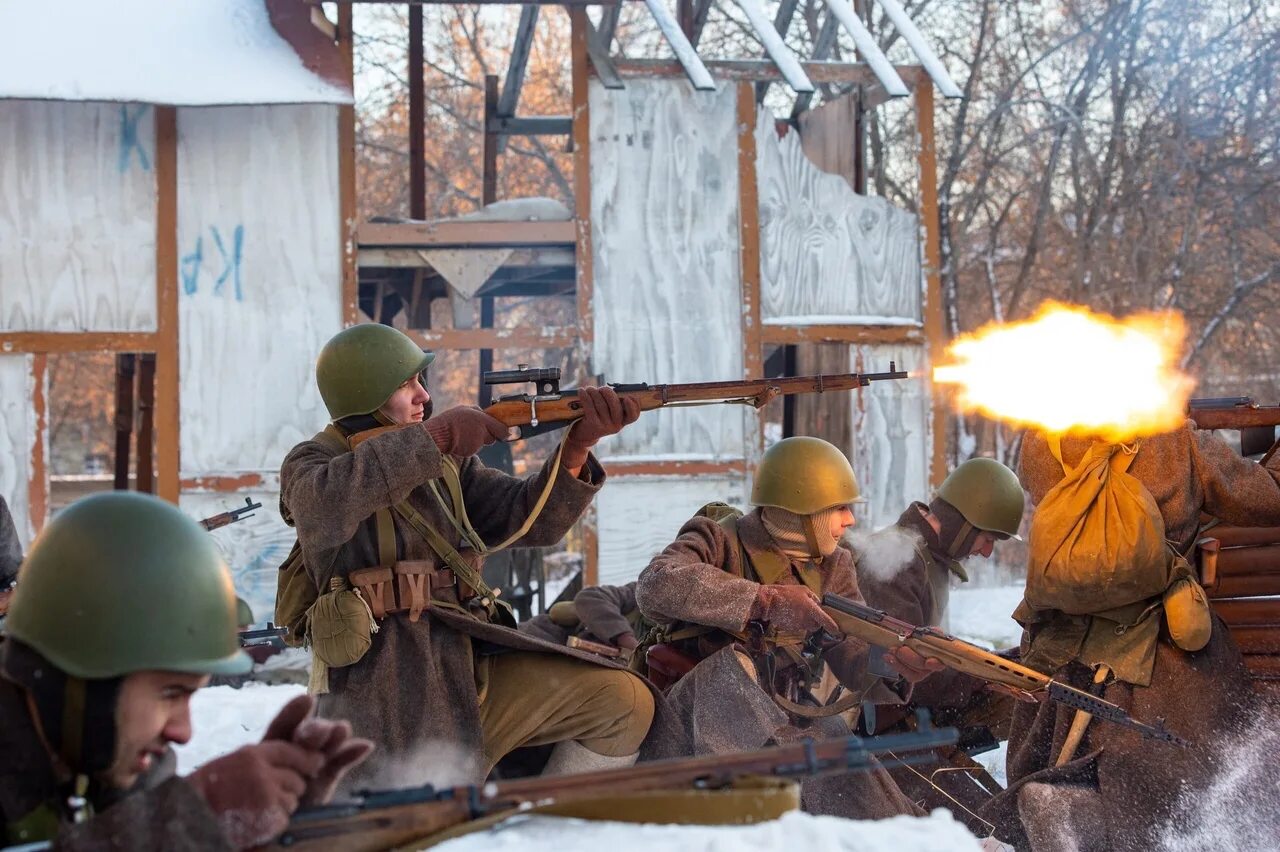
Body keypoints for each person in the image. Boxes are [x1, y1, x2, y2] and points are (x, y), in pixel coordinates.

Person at [280, 324, 659, 786]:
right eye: (405, 384)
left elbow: (531, 520)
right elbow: (323, 505)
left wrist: (578, 445)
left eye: (421, 381)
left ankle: (550, 825)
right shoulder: (313, 462)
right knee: (419, 810)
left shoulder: (446, 463)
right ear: (363, 392)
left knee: (625, 702)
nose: (423, 395)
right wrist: (436, 437)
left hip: (466, 664)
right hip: (384, 691)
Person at [0, 491, 371, 850]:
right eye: (169, 693)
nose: (183, 732)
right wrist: (185, 820)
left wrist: (258, 835)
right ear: (83, 677)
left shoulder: (110, 751)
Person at [982, 422, 1280, 850]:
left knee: (1060, 758)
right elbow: (1267, 499)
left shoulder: (1041, 441)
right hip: (1162, 666)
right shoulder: (1178, 445)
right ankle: (1079, 814)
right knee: (1203, 773)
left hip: (1065, 659)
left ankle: (1060, 803)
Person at [634, 436, 940, 819]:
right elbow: (654, 586)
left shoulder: (834, 566)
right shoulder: (717, 538)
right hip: (688, 730)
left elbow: (854, 654)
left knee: (832, 736)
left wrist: (896, 661)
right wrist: (766, 602)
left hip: (781, 727)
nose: (851, 520)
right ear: (802, 509)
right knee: (736, 671)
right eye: (840, 507)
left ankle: (913, 838)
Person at [855, 457, 1026, 831]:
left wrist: (997, 667)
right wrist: (985, 671)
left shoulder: (927, 556)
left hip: (919, 714)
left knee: (1033, 704)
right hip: (885, 732)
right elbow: (905, 671)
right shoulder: (897, 559)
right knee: (990, 829)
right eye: (986, 539)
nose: (986, 553)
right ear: (965, 524)